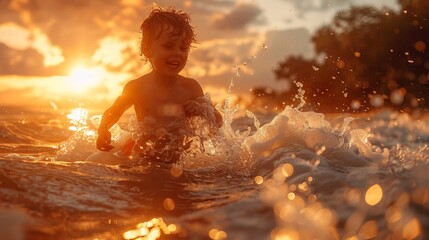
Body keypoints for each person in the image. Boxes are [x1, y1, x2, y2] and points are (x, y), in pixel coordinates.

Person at [96, 6, 223, 162]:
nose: (177, 53)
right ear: (147, 50)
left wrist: (204, 110)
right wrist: (103, 130)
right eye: (168, 46)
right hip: (143, 158)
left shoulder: (191, 88)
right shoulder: (137, 87)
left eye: (183, 48)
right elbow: (114, 111)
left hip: (178, 161)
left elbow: (218, 121)